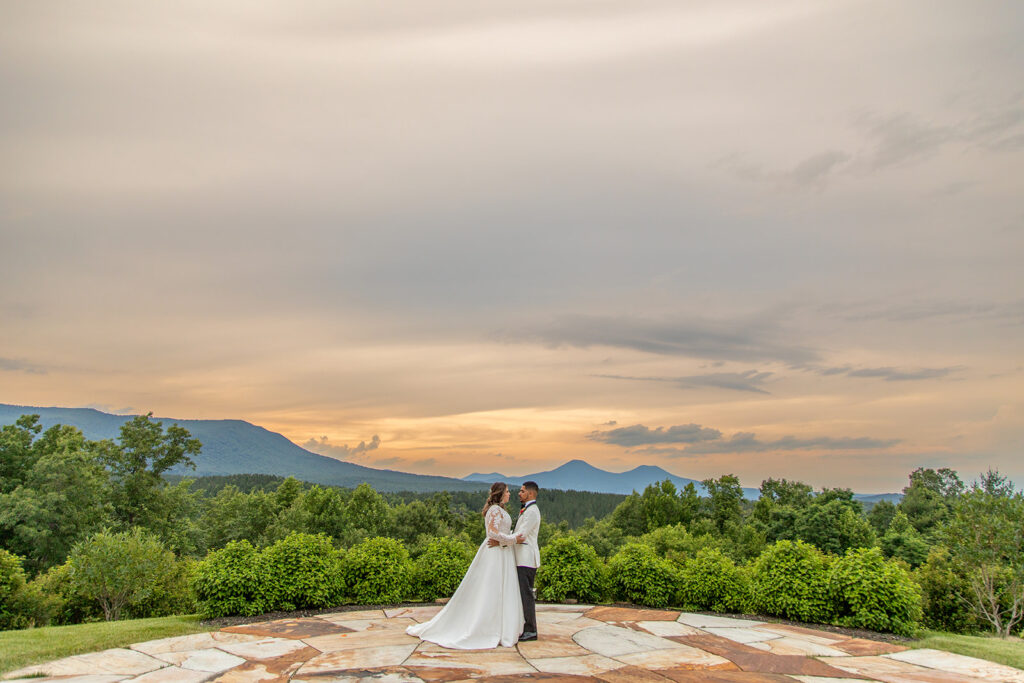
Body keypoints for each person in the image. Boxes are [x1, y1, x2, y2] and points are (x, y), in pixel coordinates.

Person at [406, 482, 524, 648]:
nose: (509, 494)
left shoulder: (500, 509)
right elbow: (491, 533)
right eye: (507, 491)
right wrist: (512, 540)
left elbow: (500, 533)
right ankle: (487, 627)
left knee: (500, 588)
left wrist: (508, 539)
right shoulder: (495, 510)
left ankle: (501, 626)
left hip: (502, 552)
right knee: (492, 589)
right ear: (500, 493)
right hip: (495, 553)